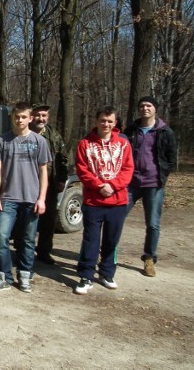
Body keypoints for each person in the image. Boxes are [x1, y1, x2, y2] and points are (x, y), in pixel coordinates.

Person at [0, 102, 51, 293]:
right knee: (1, 237)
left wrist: (41, 199)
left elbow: (43, 172)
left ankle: (24, 275)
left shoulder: (40, 142)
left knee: (27, 239)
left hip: (31, 199)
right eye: (17, 116)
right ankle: (4, 277)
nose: (20, 120)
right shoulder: (2, 140)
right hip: (7, 198)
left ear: (30, 119)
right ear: (12, 118)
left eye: (24, 117)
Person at [74, 105, 134, 294]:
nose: (105, 124)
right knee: (91, 239)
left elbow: (128, 169)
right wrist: (100, 185)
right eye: (102, 120)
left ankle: (107, 273)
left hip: (117, 202)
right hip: (93, 202)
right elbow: (82, 169)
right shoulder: (85, 143)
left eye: (109, 121)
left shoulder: (123, 144)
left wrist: (113, 185)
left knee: (111, 240)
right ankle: (86, 276)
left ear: (115, 123)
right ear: (96, 121)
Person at [124, 96, 177, 277]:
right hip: (131, 183)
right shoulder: (131, 130)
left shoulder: (165, 131)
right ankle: (108, 254)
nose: (144, 108)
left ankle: (149, 259)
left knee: (153, 224)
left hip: (154, 184)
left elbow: (172, 160)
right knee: (115, 218)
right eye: (142, 106)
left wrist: (160, 174)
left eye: (148, 106)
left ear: (155, 109)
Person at [30, 104, 69, 265]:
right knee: (26, 219)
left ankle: (44, 251)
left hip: (50, 184)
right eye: (38, 115)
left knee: (48, 219)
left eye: (44, 115)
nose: (41, 119)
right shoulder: (25, 133)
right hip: (29, 183)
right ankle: (24, 250)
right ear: (32, 116)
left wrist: (61, 179)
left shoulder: (54, 135)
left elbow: (63, 159)